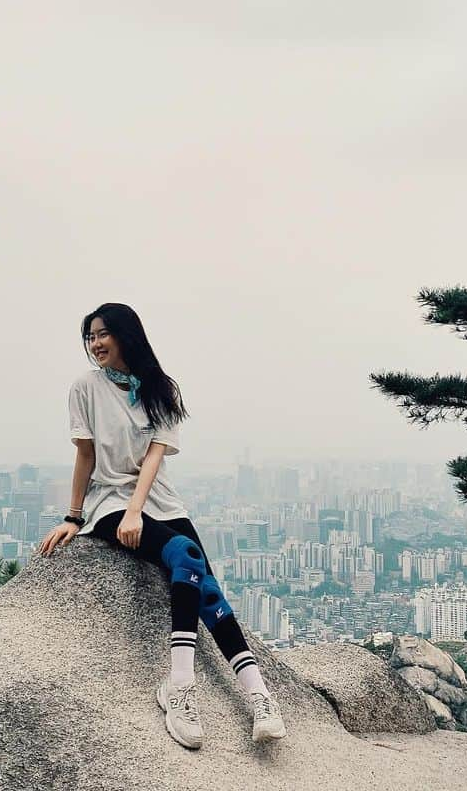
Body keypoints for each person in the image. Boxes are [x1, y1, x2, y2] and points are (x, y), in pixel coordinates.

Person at [38, 302, 286, 750]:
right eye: (89, 336)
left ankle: (259, 696)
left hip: (159, 503)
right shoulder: (84, 388)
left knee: (207, 589)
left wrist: (142, 511)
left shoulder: (161, 388)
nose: (94, 344)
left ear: (126, 335)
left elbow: (153, 457)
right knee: (184, 556)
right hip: (110, 502)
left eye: (102, 334)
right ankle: (180, 685)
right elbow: (86, 456)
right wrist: (74, 517)